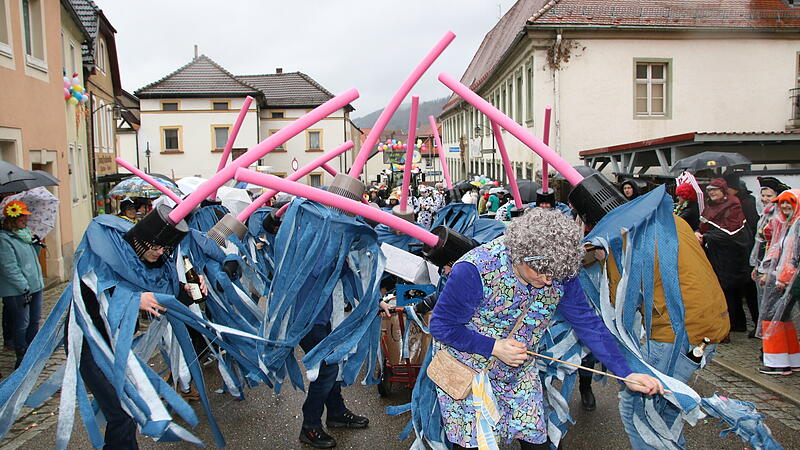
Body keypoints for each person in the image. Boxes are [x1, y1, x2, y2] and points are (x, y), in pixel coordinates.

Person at [429, 208, 663, 449]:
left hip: (517, 374)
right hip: (468, 371)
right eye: (542, 273)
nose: (549, 281)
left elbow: (587, 322)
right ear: (520, 255)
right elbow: (441, 325)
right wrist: (494, 347)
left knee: (536, 441)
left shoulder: (558, 268)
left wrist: (626, 372)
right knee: (475, 443)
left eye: (555, 275)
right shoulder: (475, 268)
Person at [753, 189, 800, 374]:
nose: (785, 206)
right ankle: (792, 359)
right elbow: (778, 249)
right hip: (783, 279)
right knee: (782, 318)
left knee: (771, 318)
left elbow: (794, 256)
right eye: (783, 202)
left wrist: (783, 278)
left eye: (790, 202)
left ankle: (777, 363)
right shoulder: (788, 223)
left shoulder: (797, 225)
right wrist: (766, 270)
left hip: (787, 281)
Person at [697, 178, 752, 333]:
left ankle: (732, 324)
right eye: (710, 190)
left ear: (723, 191)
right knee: (723, 291)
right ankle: (732, 324)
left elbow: (731, 232)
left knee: (730, 291)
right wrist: (698, 232)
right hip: (716, 254)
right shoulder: (710, 206)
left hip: (731, 256)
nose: (712, 192)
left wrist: (706, 237)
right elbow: (703, 224)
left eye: (715, 189)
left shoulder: (733, 205)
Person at [0, 201, 44, 368]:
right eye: (22, 217)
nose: (26, 220)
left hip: (35, 285)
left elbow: (32, 259)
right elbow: (9, 266)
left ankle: (33, 353)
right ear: (13, 218)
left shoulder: (25, 235)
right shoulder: (5, 239)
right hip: (17, 290)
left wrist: (36, 245)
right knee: (22, 323)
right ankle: (22, 355)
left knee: (34, 320)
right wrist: (23, 287)